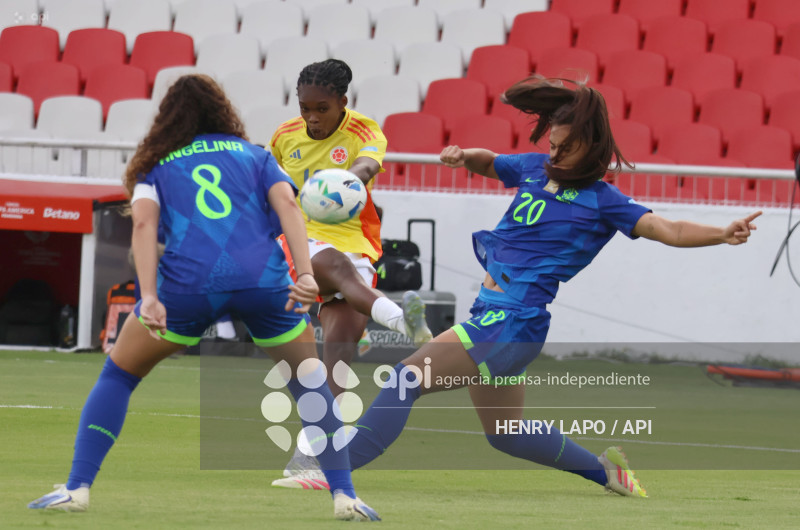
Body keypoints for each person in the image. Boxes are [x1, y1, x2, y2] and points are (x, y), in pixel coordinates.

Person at [340, 76, 762, 497]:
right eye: (552, 146)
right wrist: (464, 155)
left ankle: (333, 471)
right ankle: (607, 473)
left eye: (566, 148)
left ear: (592, 146)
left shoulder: (603, 199)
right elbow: (490, 163)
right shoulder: (532, 168)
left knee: (405, 379)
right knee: (506, 433)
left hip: (511, 321)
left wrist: (721, 233)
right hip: (498, 317)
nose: (555, 155)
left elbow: (666, 228)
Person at [27, 74, 379, 521]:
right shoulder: (256, 157)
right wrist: (306, 275)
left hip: (188, 287)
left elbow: (142, 227)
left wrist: (149, 296)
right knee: (310, 386)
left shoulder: (156, 166)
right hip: (265, 284)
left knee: (118, 377)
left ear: (168, 117)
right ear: (222, 112)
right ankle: (344, 496)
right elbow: (290, 208)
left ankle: (77, 488)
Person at [268, 59, 432, 488]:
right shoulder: (284, 137)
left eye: (321, 108)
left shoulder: (364, 131)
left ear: (343, 102)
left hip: (356, 242)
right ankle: (401, 321)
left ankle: (308, 458)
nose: (312, 117)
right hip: (300, 240)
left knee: (338, 359)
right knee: (336, 270)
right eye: (305, 107)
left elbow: (366, 167)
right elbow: (270, 186)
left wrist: (340, 184)